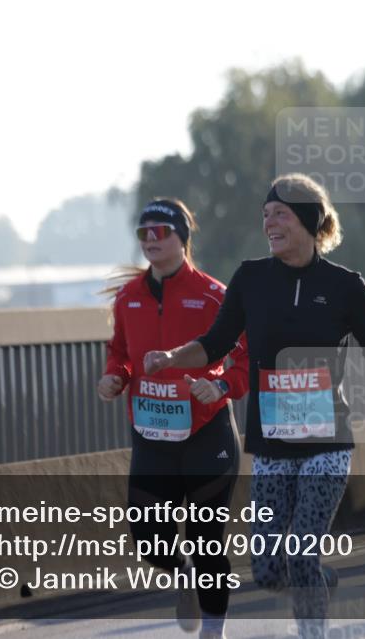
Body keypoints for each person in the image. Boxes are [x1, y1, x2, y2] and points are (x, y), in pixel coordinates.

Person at [143, 174, 365, 639]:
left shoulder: (345, 286)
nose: (270, 223)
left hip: (328, 443)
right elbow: (216, 343)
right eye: (265, 215)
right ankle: (318, 580)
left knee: (300, 553)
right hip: (272, 447)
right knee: (266, 569)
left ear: (309, 219)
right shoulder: (251, 279)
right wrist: (171, 358)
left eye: (280, 213)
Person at [98, 198, 250, 639]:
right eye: (143, 232)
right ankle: (181, 574)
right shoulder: (129, 298)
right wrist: (115, 377)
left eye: (160, 231)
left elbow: (245, 355)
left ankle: (213, 632)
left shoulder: (214, 295)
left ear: (182, 238)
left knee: (208, 543)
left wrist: (221, 385)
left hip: (207, 434)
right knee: (149, 541)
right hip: (152, 437)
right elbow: (121, 354)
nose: (150, 240)